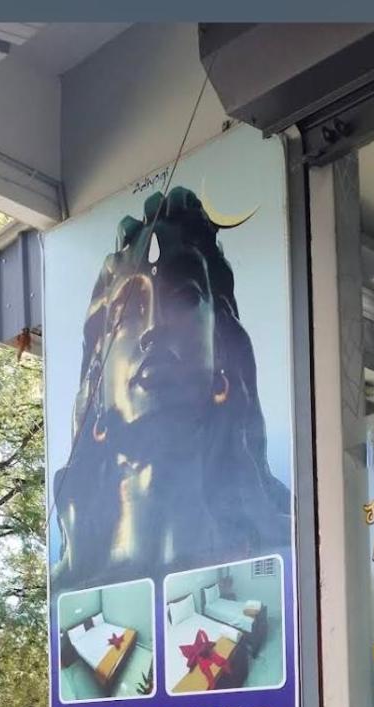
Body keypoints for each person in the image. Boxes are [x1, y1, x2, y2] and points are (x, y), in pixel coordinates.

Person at [52, 188, 290, 589]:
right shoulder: (68, 592)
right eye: (128, 311)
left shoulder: (290, 550)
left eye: (184, 298)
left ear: (221, 357)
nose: (154, 327)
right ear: (97, 384)